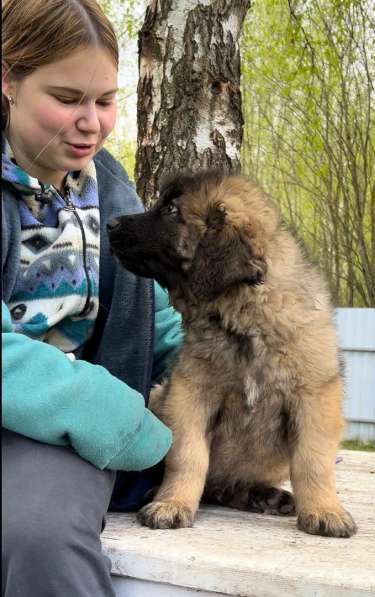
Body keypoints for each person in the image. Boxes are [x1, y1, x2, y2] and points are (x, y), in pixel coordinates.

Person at [1, 1, 183, 595]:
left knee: (39, 532)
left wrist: (241, 388)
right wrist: (108, 411)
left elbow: (157, 323)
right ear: (7, 80)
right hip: (70, 413)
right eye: (67, 97)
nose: (91, 123)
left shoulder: (113, 191)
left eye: (105, 101)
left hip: (55, 440)